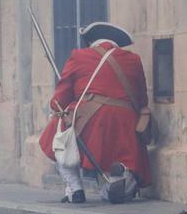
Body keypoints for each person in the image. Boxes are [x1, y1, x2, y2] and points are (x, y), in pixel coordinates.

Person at [44, 22, 151, 204]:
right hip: (127, 124)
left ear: (91, 42)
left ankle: (75, 188)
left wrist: (57, 108)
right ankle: (118, 183)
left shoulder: (79, 56)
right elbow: (142, 100)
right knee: (125, 171)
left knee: (60, 132)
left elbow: (58, 101)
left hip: (92, 122)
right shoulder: (133, 60)